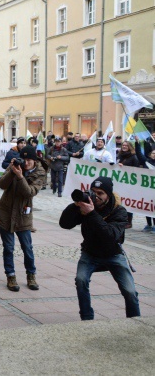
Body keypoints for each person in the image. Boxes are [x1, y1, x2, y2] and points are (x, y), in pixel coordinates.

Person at [59, 176, 140, 321]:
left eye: (100, 193)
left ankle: (135, 320)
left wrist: (91, 214)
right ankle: (87, 318)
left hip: (113, 254)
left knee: (130, 291)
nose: (96, 196)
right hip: (90, 253)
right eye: (93, 191)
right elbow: (64, 224)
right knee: (81, 280)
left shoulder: (119, 211)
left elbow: (109, 236)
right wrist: (76, 205)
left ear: (108, 194)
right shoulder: (87, 206)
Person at [0, 146, 47, 292]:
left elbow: (29, 192)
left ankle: (31, 275)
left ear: (35, 160)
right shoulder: (16, 166)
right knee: (9, 248)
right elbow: (1, 184)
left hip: (23, 216)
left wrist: (20, 176)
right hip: (5, 213)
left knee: (27, 248)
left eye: (30, 159)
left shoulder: (40, 173)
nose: (27, 162)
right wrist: (12, 171)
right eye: (24, 159)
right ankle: (10, 276)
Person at [117, 140, 140, 229]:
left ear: (130, 147)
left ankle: (129, 221)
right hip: (120, 182)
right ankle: (121, 218)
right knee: (120, 201)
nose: (124, 146)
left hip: (129, 183)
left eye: (126, 145)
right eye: (123, 145)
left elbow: (136, 170)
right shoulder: (119, 156)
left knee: (128, 202)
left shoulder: (133, 157)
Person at [135, 135, 155, 232]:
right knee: (147, 207)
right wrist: (137, 143)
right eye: (153, 153)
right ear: (150, 155)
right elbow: (139, 154)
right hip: (147, 189)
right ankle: (148, 224)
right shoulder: (146, 162)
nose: (154, 154)